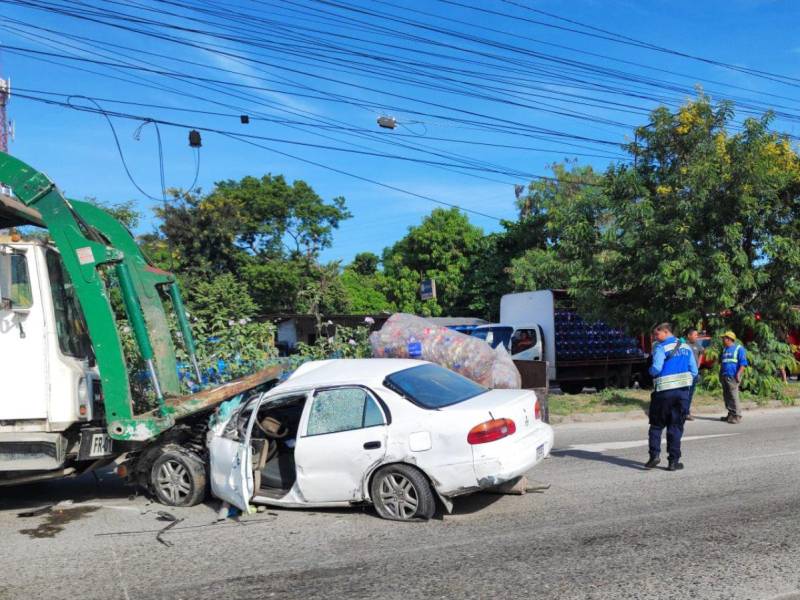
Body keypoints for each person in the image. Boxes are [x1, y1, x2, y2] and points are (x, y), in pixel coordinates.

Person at [646, 323, 698, 471]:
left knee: (656, 426)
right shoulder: (686, 347)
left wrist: (650, 371)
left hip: (663, 393)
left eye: (657, 334)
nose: (655, 337)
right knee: (675, 427)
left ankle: (654, 456)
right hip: (682, 394)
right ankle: (673, 462)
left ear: (666, 331)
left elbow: (656, 368)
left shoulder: (661, 348)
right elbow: (694, 371)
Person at [719, 331, 748, 424]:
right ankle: (731, 414)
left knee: (733, 396)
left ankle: (737, 416)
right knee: (727, 396)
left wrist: (738, 374)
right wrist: (720, 374)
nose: (723, 340)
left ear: (729, 339)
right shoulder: (725, 349)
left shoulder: (739, 349)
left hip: (733, 376)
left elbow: (743, 364)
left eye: (724, 338)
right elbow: (723, 363)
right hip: (725, 375)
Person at [684, 328, 704, 421]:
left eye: (697, 335)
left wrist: (698, 364)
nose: (697, 337)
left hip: (694, 373)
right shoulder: (683, 345)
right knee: (683, 393)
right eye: (695, 335)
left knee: (690, 394)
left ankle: (686, 413)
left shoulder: (697, 345)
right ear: (689, 335)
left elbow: (701, 352)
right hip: (685, 373)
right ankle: (681, 412)